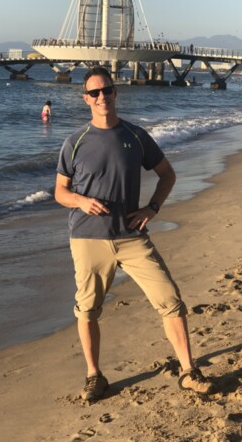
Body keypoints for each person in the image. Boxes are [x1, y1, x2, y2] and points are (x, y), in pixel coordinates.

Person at [54, 66, 213, 402]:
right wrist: (81, 201)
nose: (102, 97)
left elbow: (167, 175)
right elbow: (60, 193)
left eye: (106, 91)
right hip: (88, 238)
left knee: (170, 299)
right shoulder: (74, 142)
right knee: (87, 310)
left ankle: (188, 371)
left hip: (131, 236)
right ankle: (94, 376)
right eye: (94, 93)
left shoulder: (137, 136)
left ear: (115, 93)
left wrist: (152, 209)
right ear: (86, 99)